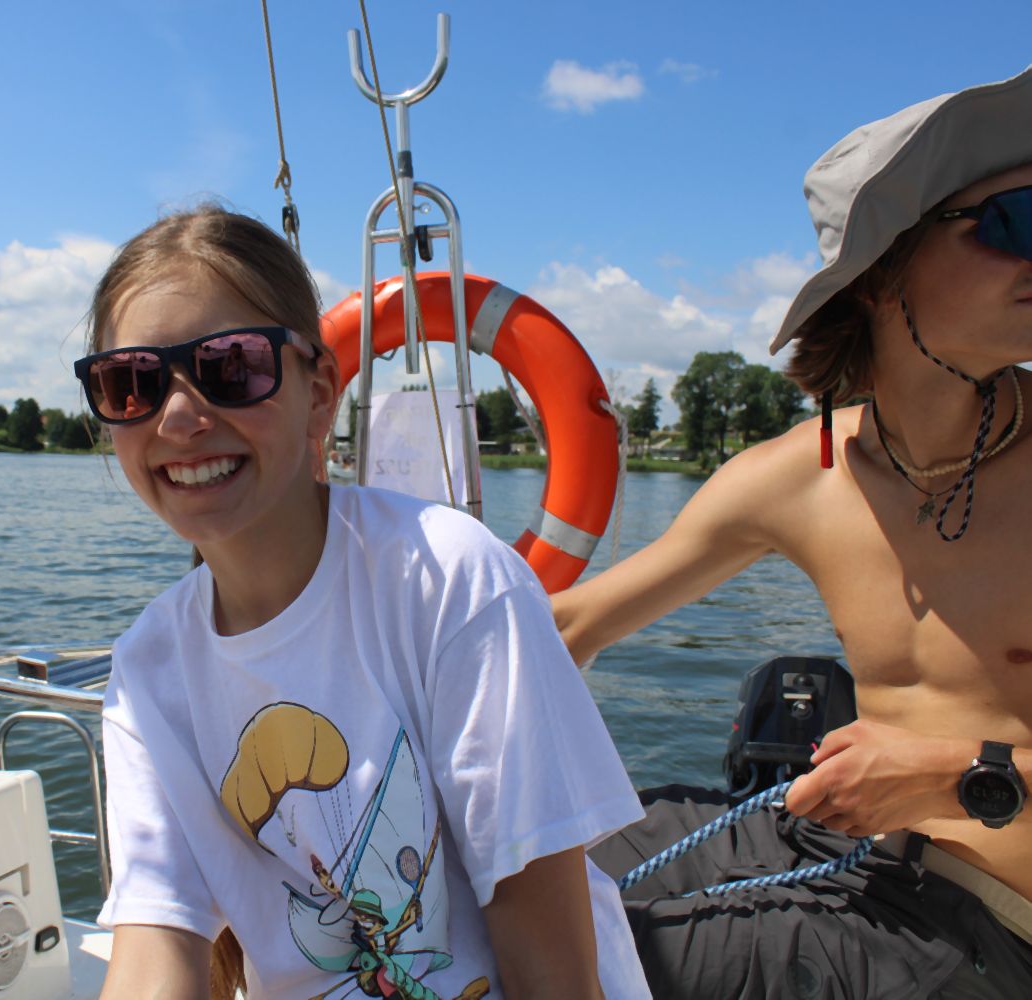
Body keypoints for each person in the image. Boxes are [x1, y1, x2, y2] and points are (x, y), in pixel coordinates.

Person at [76, 206, 650, 999]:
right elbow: (157, 949)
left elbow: (554, 974)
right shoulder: (149, 668)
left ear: (319, 394)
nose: (176, 417)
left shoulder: (449, 583)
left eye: (232, 366)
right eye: (129, 384)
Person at [555, 69, 1032, 996]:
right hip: (841, 849)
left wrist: (957, 774)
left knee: (594, 959)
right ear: (882, 273)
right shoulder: (797, 478)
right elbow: (569, 628)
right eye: (1015, 222)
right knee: (533, 878)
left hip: (995, 922)